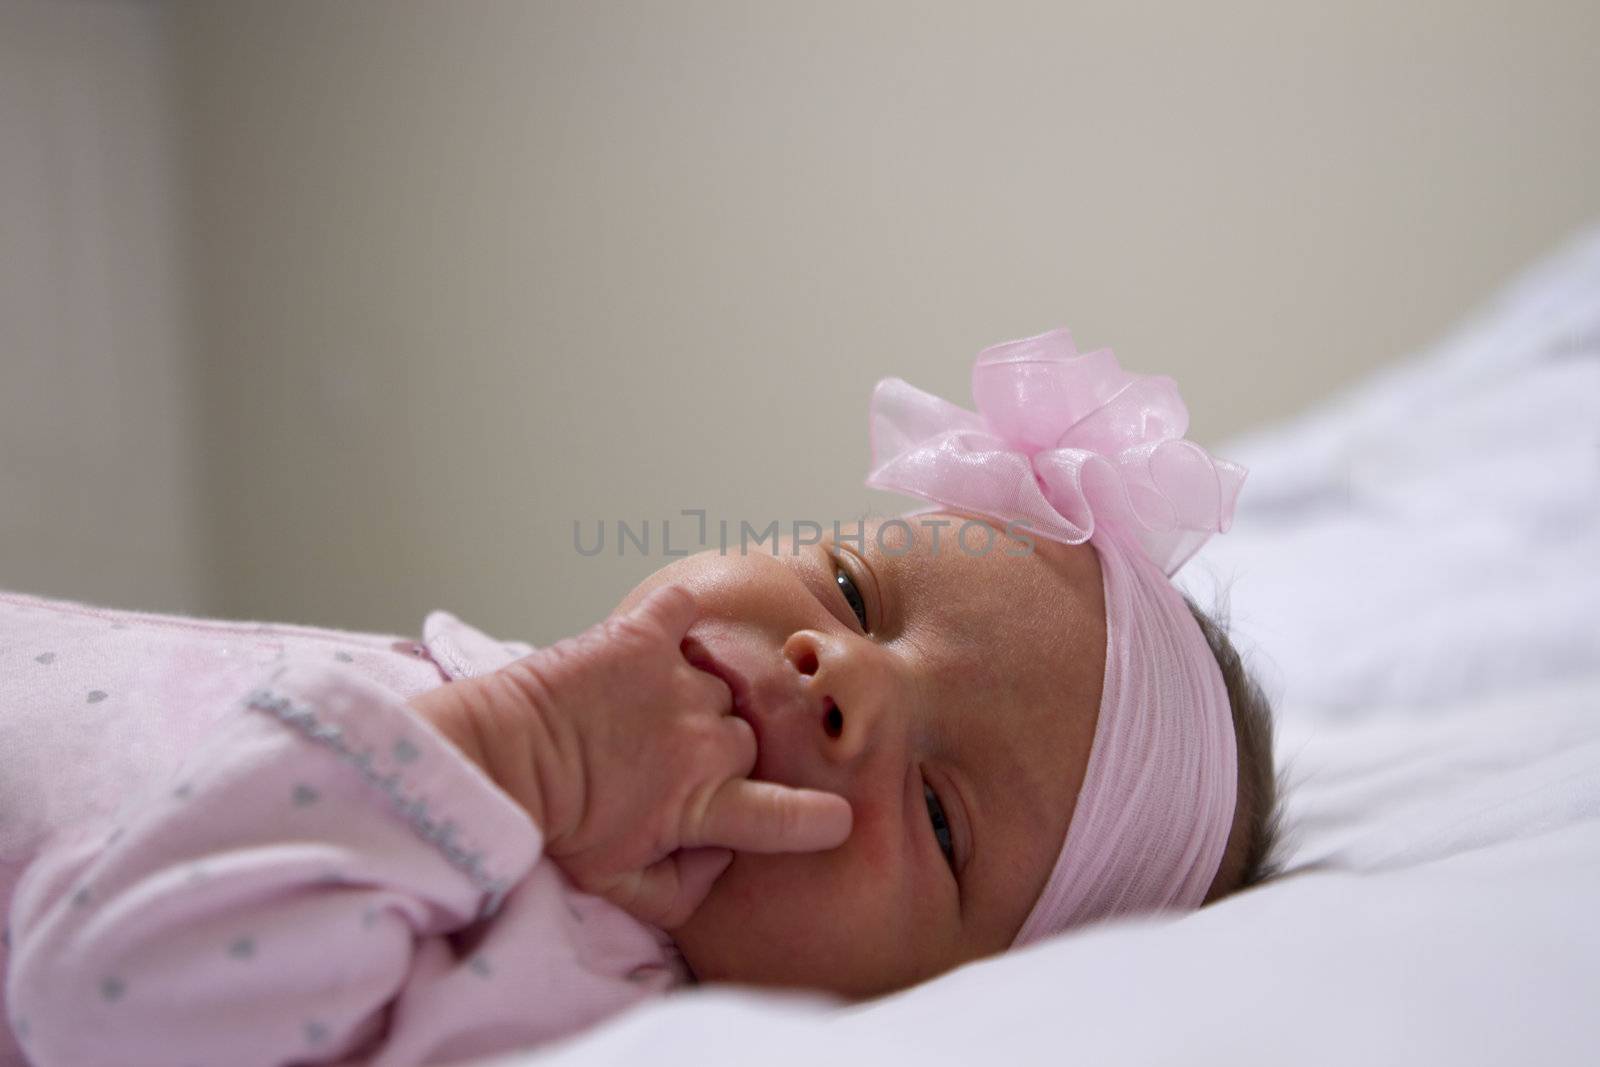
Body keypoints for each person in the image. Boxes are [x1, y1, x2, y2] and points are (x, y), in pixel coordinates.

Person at [0, 328, 1279, 1066]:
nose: (846, 675)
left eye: (942, 820)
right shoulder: (542, 705)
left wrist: (522, 747)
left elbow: (106, 1003)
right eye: (850, 587)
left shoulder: (577, 983)